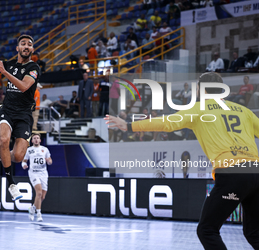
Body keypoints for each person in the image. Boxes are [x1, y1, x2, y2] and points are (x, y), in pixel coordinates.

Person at [105, 72, 259, 250]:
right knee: (254, 232)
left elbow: (168, 123)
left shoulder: (200, 109)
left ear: (201, 89)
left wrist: (129, 125)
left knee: (207, 230)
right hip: (256, 171)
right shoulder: (244, 111)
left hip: (232, 173)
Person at [0, 34, 41, 201]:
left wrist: (4, 72)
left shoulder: (34, 68)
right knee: (4, 139)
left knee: (19, 156)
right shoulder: (10, 64)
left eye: (29, 44)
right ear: (18, 48)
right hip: (7, 110)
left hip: (25, 114)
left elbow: (23, 86)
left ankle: (0, 154)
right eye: (23, 44)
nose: (26, 46)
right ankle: (11, 184)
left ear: (32, 49)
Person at [22, 133, 52, 222]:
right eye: (34, 138)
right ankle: (38, 214)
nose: (36, 139)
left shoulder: (44, 149)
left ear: (40, 140)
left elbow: (50, 160)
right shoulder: (29, 150)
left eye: (37, 138)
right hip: (33, 173)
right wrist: (24, 165)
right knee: (38, 193)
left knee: (42, 196)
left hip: (43, 174)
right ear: (32, 141)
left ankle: (32, 208)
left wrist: (49, 161)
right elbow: (24, 161)